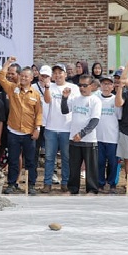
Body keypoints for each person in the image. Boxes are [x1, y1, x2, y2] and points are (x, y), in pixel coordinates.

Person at [0, 57, 42, 195]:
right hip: (13, 132)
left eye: (26, 76)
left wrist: (37, 129)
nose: (23, 78)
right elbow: (1, 77)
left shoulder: (35, 94)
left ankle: (31, 185)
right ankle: (11, 184)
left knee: (30, 161)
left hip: (29, 133)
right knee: (13, 160)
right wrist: (7, 64)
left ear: (31, 78)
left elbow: (39, 113)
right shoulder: (12, 89)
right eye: (21, 75)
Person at [61, 74, 102, 194]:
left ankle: (92, 189)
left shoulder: (95, 101)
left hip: (89, 139)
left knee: (91, 167)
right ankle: (73, 189)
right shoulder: (75, 99)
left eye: (85, 85)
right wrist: (64, 98)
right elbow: (64, 110)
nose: (82, 88)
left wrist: (82, 133)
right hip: (74, 138)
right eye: (80, 85)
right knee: (73, 166)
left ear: (92, 86)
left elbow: (94, 120)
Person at [43, 63, 78, 193]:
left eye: (60, 72)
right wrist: (47, 87)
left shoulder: (73, 87)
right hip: (51, 127)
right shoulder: (50, 86)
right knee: (49, 157)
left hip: (67, 128)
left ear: (65, 74)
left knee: (66, 158)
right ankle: (47, 183)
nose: (57, 75)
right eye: (55, 73)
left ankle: (65, 182)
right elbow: (47, 101)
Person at [96, 74, 122, 193]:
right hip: (98, 137)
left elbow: (120, 116)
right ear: (100, 85)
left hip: (112, 137)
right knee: (100, 162)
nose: (106, 86)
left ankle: (112, 184)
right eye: (104, 84)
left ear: (113, 86)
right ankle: (100, 183)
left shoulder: (116, 99)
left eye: (109, 84)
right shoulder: (95, 98)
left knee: (113, 163)